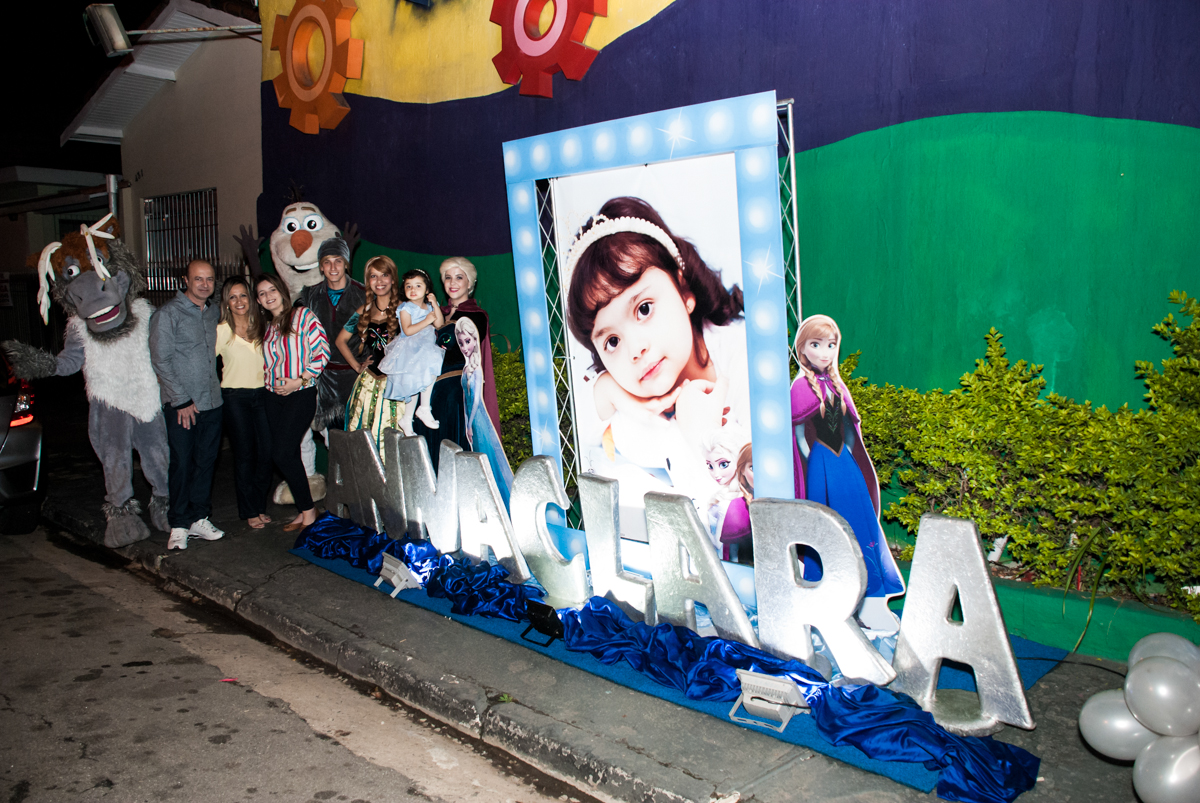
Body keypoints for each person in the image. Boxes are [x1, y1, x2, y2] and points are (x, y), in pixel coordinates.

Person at [564, 196, 748, 499]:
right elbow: (577, 425)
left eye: (644, 309)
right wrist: (606, 389)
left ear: (684, 290)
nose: (634, 350)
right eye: (612, 341)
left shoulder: (742, 355)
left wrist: (701, 435)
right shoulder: (630, 413)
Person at [790, 313, 905, 631]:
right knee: (826, 529)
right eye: (816, 344)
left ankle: (870, 600)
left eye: (830, 345)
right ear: (803, 349)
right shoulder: (800, 387)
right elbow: (798, 436)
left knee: (860, 525)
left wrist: (850, 457)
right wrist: (815, 462)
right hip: (821, 469)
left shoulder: (838, 386)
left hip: (846, 467)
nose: (825, 352)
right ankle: (822, 594)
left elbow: (850, 431)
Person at [149, 260, 224, 550]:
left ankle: (198, 518)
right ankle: (178, 523)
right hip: (183, 406)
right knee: (182, 464)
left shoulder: (213, 312)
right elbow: (160, 360)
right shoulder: (167, 315)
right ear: (186, 280)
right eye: (198, 279)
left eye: (209, 279)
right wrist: (180, 400)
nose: (204, 284)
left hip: (212, 403)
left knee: (206, 463)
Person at [413, 257, 500, 470]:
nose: (453, 282)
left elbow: (449, 342)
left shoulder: (476, 316)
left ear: (469, 284)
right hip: (429, 392)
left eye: (459, 277)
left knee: (453, 456)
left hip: (455, 395)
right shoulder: (435, 313)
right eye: (448, 278)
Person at [258, 273, 329, 532]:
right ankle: (304, 509)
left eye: (272, 290)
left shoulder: (302, 316)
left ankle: (309, 511)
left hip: (300, 393)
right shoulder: (268, 327)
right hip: (273, 397)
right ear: (259, 300)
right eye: (262, 293)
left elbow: (322, 353)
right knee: (289, 454)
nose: (268, 296)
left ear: (282, 290)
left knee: (283, 452)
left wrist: (298, 380)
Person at [294, 236, 365, 488]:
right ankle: (340, 494)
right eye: (327, 262)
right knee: (330, 440)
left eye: (338, 261)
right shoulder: (308, 296)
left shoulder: (364, 294)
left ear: (346, 264)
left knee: (358, 439)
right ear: (320, 266)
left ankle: (361, 492)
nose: (333, 267)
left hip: (357, 379)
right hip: (321, 380)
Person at [215, 276, 272, 529]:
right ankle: (249, 510)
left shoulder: (262, 326)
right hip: (235, 398)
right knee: (245, 454)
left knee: (266, 453)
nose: (239, 301)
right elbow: (206, 363)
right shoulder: (221, 330)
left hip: (263, 395)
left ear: (251, 299)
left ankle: (259, 505)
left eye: (243, 295)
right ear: (226, 302)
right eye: (233, 296)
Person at [338, 256, 405, 458]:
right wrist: (358, 367)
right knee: (363, 436)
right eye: (373, 276)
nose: (380, 281)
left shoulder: (406, 309)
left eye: (384, 275)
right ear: (368, 282)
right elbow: (340, 341)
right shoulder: (363, 311)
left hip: (397, 385)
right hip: (368, 385)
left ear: (393, 279)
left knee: (393, 438)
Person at [378, 269, 445, 435]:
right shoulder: (405, 308)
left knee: (424, 378)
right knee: (412, 385)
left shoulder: (429, 307)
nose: (413, 290)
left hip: (426, 347)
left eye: (418, 285)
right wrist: (427, 320)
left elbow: (440, 324)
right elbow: (407, 330)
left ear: (427, 289)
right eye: (409, 286)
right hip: (411, 348)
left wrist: (435, 305)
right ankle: (409, 417)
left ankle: (422, 409)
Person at [456, 316, 513, 507]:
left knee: (487, 457)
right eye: (461, 342)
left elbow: (477, 400)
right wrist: (465, 423)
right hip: (470, 420)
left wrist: (471, 422)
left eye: (468, 341)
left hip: (479, 419)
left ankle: (498, 503)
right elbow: (465, 398)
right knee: (477, 458)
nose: (465, 346)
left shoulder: (477, 369)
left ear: (475, 340)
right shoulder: (465, 368)